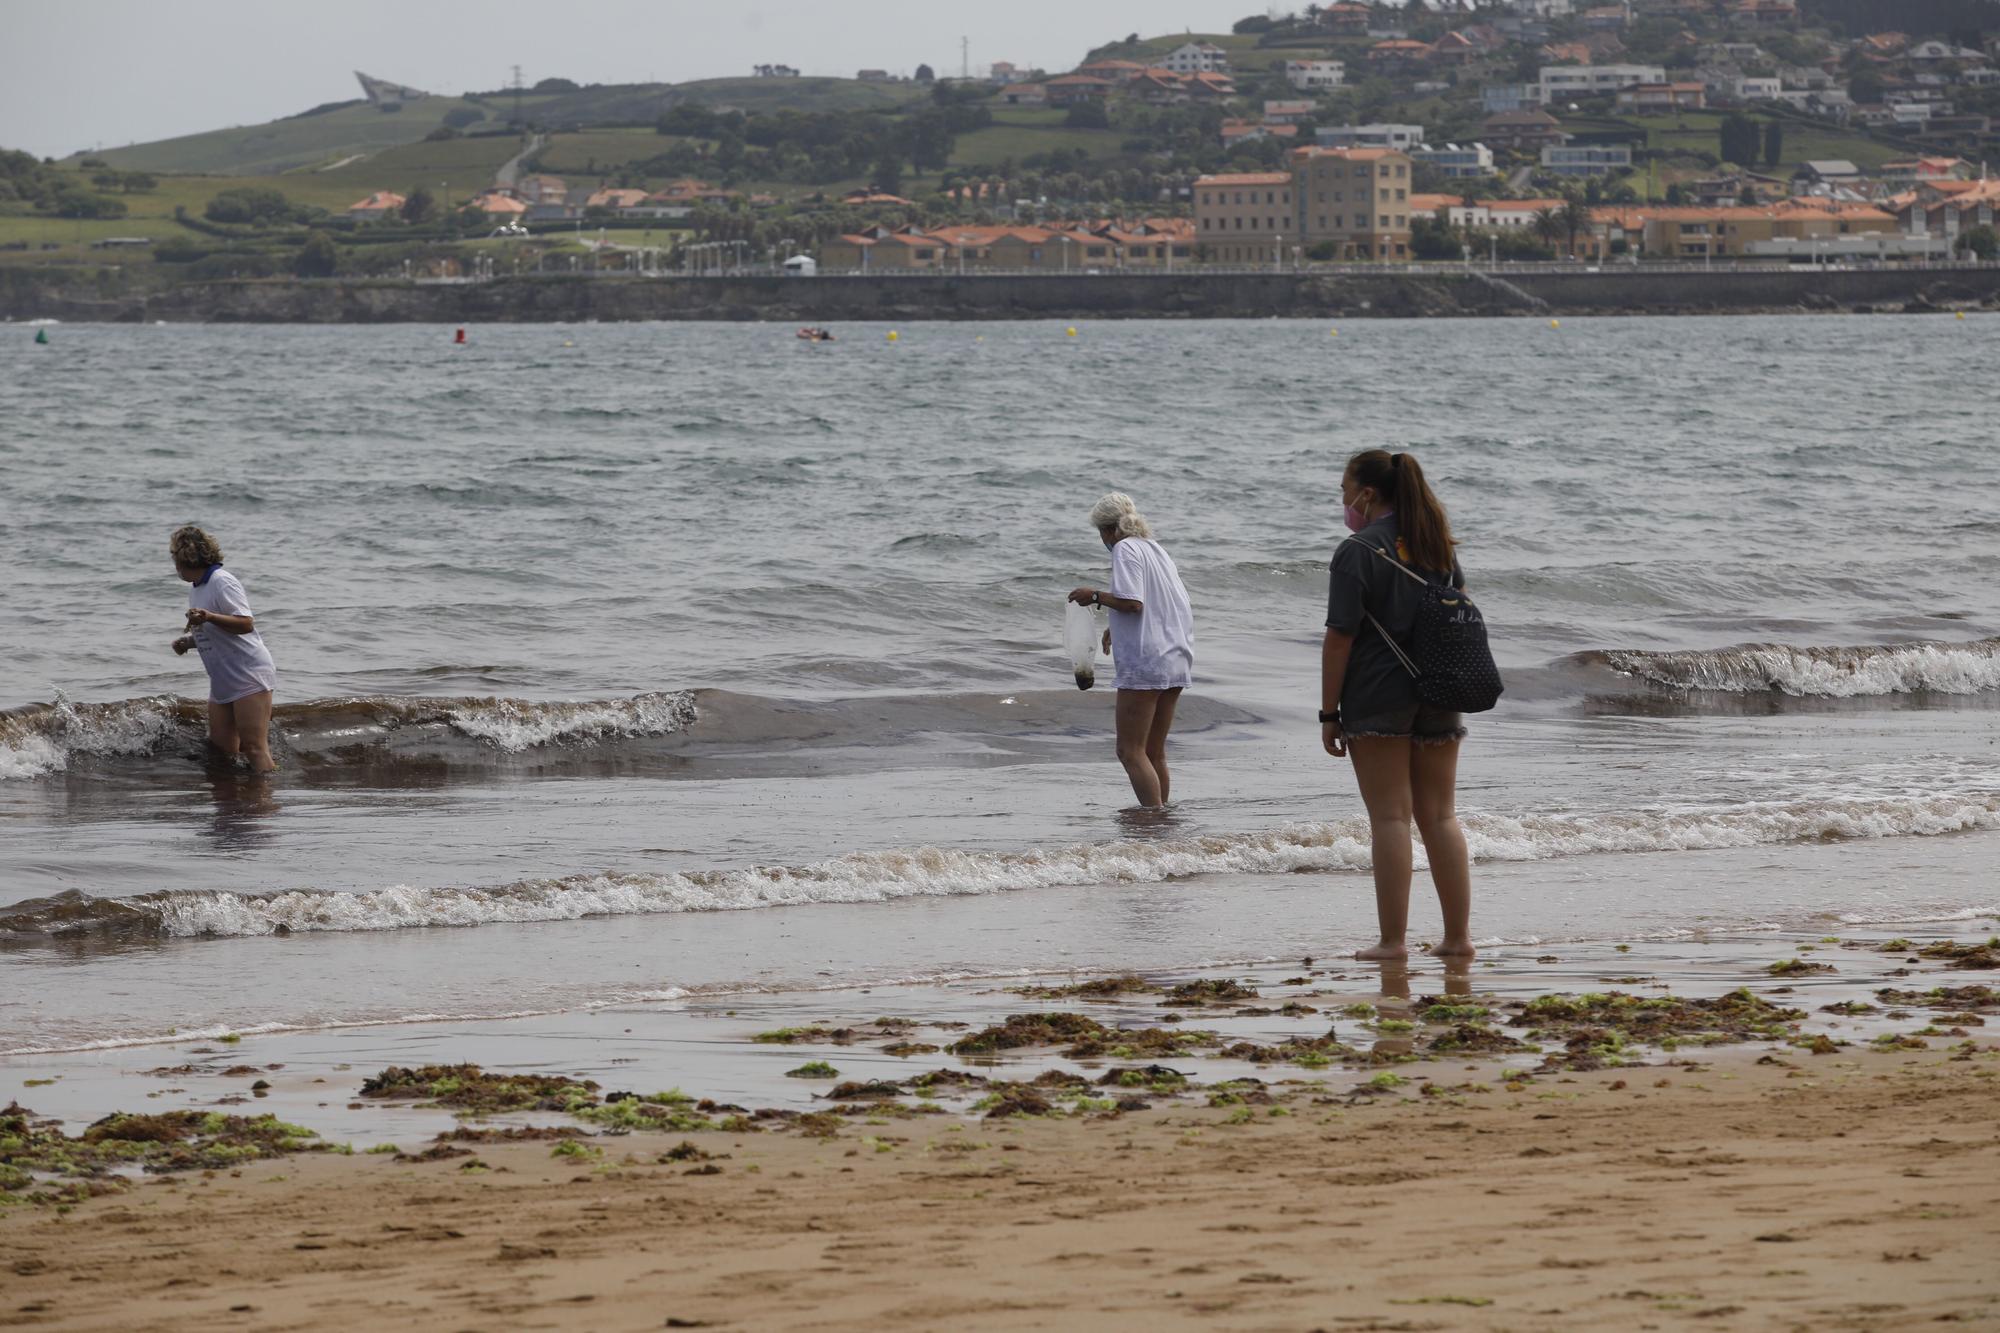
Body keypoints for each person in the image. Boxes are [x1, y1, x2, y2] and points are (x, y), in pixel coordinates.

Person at [1320, 450, 1473, 961]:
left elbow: (1340, 638)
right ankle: (1457, 940)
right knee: (1441, 818)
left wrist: (1328, 713)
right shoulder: (1438, 546)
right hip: (1442, 690)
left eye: (1345, 490)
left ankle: (1392, 943)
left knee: (1390, 819)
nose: (1343, 501)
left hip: (1378, 696)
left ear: (1368, 493)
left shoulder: (1357, 550)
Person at [1067, 493, 1194, 808]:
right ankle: (1162, 825)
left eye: (1101, 534)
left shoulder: (1124, 549)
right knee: (1153, 752)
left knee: (1129, 750)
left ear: (1108, 530)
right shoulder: (1156, 549)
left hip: (1147, 661)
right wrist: (1115, 626)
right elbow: (1159, 602)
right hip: (1176, 654)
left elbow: (1133, 602)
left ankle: (1151, 823)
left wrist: (1094, 595)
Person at [169, 525, 278, 773]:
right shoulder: (197, 589)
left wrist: (208, 616)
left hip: (248, 672)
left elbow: (245, 623)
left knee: (254, 747)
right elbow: (214, 632)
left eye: (176, 559)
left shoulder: (222, 581)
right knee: (222, 749)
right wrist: (188, 642)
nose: (175, 567)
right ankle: (235, 803)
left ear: (187, 558)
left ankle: (266, 802)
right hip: (222, 680)